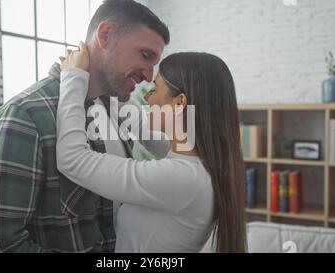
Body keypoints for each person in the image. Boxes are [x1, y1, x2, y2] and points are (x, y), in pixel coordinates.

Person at [0, 0, 170, 253]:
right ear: (105, 35)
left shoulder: (117, 109)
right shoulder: (25, 116)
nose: (149, 76)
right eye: (145, 55)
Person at [56, 43, 247, 252]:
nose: (147, 96)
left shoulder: (183, 178)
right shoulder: (197, 161)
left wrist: (73, 77)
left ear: (180, 102)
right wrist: (104, 77)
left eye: (155, 88)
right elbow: (140, 127)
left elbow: (72, 159)